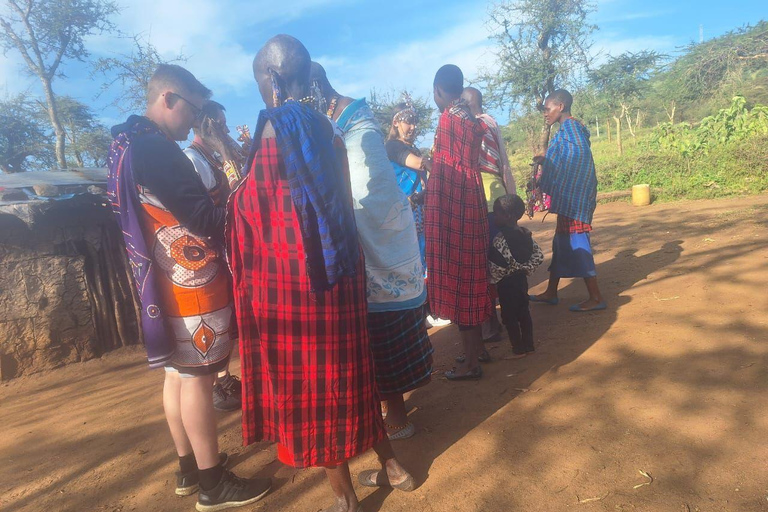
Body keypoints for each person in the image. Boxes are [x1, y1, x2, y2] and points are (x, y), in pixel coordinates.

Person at [227, 35, 415, 512]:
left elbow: (260, 207)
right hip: (343, 273)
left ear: (271, 78)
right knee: (355, 375)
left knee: (318, 386)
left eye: (257, 82)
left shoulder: (276, 128)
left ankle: (345, 496)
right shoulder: (326, 127)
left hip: (300, 282)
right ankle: (394, 467)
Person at [106, 64, 271, 512]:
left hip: (163, 280)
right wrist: (252, 199)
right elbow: (204, 219)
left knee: (177, 375)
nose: (194, 121)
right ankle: (212, 485)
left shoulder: (126, 146)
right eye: (193, 110)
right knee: (198, 379)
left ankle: (189, 468)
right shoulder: (157, 150)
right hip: (192, 284)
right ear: (169, 99)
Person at [310, 62, 434, 441]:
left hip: (381, 243)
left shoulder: (354, 123)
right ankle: (384, 407)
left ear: (314, 89)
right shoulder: (339, 121)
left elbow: (367, 193)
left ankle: (394, 416)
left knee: (381, 328)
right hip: (383, 238)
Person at [426, 64, 493, 380]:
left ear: (439, 90)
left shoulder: (448, 119)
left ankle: (470, 361)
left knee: (459, 278)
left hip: (454, 207)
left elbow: (444, 169)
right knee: (473, 275)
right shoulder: (470, 118)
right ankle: (478, 349)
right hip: (473, 198)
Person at [183, 100, 243, 412]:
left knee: (228, 319)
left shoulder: (212, 159)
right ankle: (218, 383)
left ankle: (224, 377)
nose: (227, 129)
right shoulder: (193, 161)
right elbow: (200, 216)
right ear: (208, 126)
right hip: (208, 257)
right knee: (216, 320)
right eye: (221, 123)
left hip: (226, 252)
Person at [530, 89, 606, 312]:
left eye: (547, 108)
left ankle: (596, 297)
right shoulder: (567, 130)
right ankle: (552, 292)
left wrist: (551, 166)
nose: (545, 113)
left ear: (560, 106)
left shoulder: (571, 128)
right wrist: (546, 160)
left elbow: (578, 163)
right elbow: (565, 159)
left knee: (578, 242)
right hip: (569, 199)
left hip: (575, 200)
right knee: (561, 243)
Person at [383, 98, 450, 329]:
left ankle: (429, 310)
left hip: (419, 211)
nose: (413, 126)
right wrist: (435, 165)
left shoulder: (412, 148)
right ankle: (425, 312)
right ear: (396, 123)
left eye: (415, 122)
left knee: (424, 257)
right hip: (406, 213)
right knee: (416, 259)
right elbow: (419, 165)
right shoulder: (393, 147)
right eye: (408, 122)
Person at [461, 86, 516, 343]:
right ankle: (511, 317)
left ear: (470, 104)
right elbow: (503, 162)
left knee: (487, 261)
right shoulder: (492, 122)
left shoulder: (478, 126)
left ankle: (493, 323)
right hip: (498, 195)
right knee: (502, 258)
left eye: (462, 103)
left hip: (484, 199)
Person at [488, 195, 544, 358]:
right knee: (524, 312)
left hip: (506, 284)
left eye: (497, 214)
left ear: (508, 216)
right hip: (521, 280)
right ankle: (529, 345)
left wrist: (493, 278)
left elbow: (498, 264)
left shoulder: (499, 239)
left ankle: (518, 349)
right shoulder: (525, 234)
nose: (495, 217)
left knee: (509, 316)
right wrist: (525, 268)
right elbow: (538, 256)